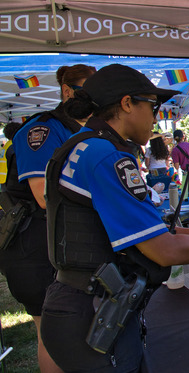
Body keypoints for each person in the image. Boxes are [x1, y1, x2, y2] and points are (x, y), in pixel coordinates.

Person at [40, 63, 189, 372]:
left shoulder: (80, 146)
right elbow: (163, 250)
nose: (156, 117)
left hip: (77, 303)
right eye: (152, 106)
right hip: (92, 312)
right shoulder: (108, 156)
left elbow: (152, 231)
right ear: (127, 103)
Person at [0, 64, 96, 373]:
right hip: (35, 249)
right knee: (53, 336)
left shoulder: (77, 130)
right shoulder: (41, 130)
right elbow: (44, 195)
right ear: (68, 91)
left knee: (76, 333)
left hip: (61, 245)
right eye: (89, 90)